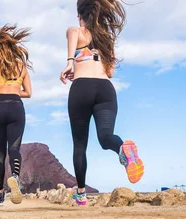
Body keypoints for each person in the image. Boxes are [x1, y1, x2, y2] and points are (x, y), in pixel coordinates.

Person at [60, 0, 144, 206]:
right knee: (106, 137)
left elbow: (72, 38)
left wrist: (71, 63)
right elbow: (110, 73)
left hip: (82, 89)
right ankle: (123, 150)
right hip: (105, 90)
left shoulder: (76, 31)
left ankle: (80, 193)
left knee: (80, 144)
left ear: (80, 15)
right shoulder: (107, 40)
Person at [0, 25, 33, 206]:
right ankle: (15, 177)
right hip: (15, 106)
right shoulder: (21, 66)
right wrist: (13, 89)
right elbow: (28, 93)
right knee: (14, 149)